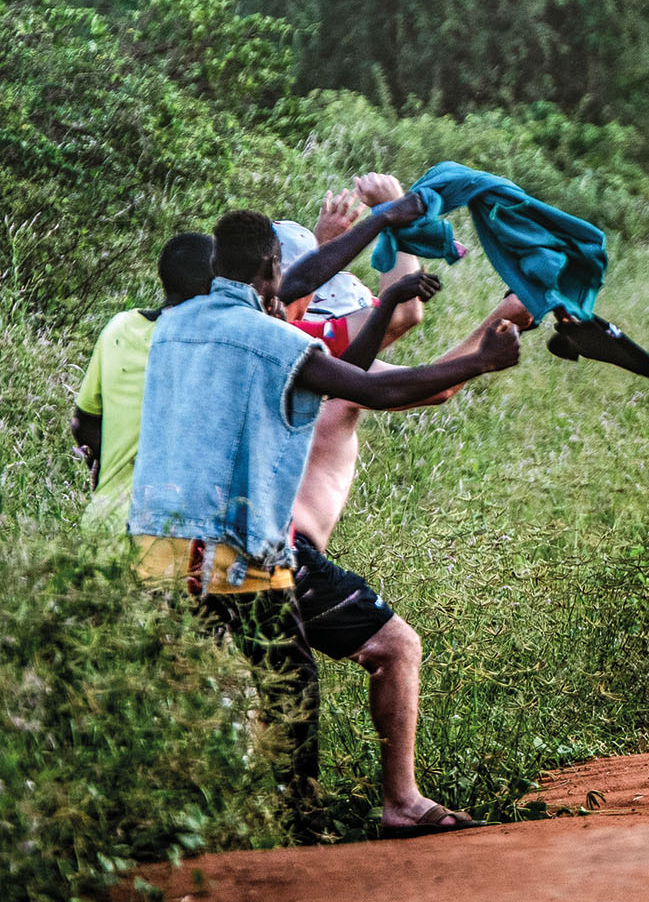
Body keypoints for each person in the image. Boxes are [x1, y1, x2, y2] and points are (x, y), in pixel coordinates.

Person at [129, 209, 521, 838]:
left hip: (159, 539)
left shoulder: (177, 325)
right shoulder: (271, 340)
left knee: (186, 681)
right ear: (270, 268)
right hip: (234, 545)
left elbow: (343, 375)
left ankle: (172, 826)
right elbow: (378, 392)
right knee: (289, 677)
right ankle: (299, 824)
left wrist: (383, 241)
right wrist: (480, 362)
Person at [70, 233, 215, 532]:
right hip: (166, 534)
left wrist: (106, 464)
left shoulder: (119, 328)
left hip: (104, 521)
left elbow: (82, 422)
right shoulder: (211, 342)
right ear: (212, 285)